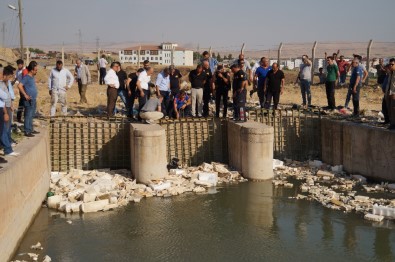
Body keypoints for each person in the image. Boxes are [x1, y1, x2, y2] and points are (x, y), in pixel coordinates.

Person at [0, 67, 19, 156]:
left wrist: (10, 104)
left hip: (5, 107)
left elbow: (7, 95)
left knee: (5, 129)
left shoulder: (4, 83)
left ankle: (7, 146)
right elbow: (3, 97)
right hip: (3, 109)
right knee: (4, 129)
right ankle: (7, 149)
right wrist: (5, 113)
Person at [18, 61, 39, 137]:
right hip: (28, 100)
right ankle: (27, 131)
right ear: (32, 70)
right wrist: (25, 95)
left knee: (31, 115)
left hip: (33, 99)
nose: (36, 71)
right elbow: (20, 86)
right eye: (35, 70)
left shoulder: (32, 77)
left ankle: (30, 129)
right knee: (28, 115)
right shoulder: (26, 77)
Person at [385, 58, 395, 130]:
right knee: (389, 109)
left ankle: (393, 125)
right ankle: (392, 124)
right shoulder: (390, 73)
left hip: (394, 94)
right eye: (390, 64)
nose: (390, 66)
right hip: (388, 93)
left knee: (393, 110)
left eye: (392, 64)